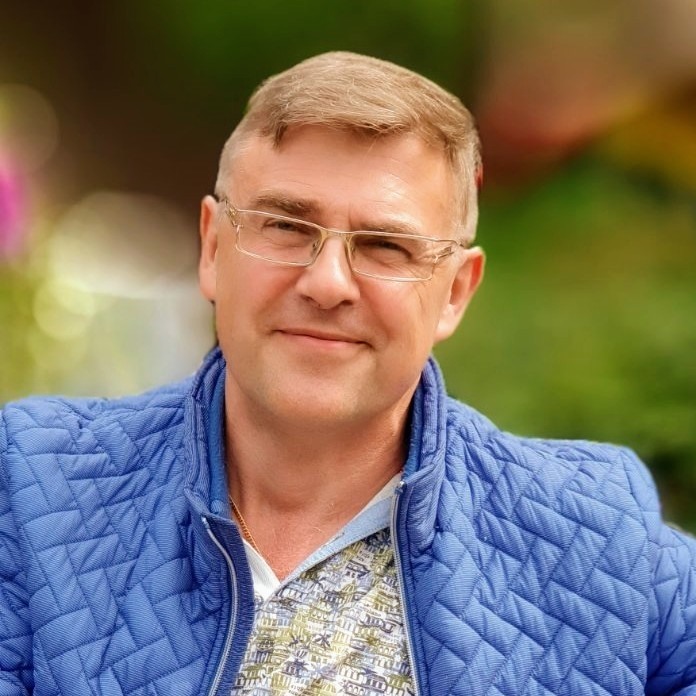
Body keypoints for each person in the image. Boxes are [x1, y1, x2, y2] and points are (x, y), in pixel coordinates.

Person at [1, 51, 695, 696]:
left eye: (386, 245)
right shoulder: (35, 490)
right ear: (212, 248)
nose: (328, 283)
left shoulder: (591, 535)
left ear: (455, 292)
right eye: (285, 226)